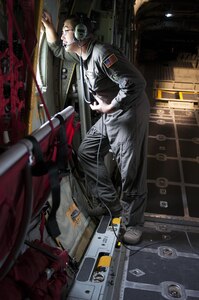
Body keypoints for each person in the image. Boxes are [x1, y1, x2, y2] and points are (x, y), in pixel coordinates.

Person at [41, 11, 150, 245]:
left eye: (65, 31)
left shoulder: (102, 54)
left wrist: (110, 107)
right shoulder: (82, 55)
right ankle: (112, 205)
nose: (61, 36)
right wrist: (49, 26)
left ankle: (134, 224)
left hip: (128, 115)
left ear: (80, 33)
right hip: (112, 114)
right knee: (87, 152)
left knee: (130, 171)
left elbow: (136, 83)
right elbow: (59, 51)